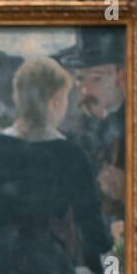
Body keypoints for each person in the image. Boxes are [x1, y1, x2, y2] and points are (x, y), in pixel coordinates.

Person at [0, 55, 112, 274]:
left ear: (19, 98)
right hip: (46, 271)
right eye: (65, 99)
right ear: (55, 102)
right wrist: (109, 271)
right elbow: (92, 229)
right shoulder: (71, 155)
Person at [54, 28, 126, 224]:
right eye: (79, 79)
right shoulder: (74, 132)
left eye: (96, 78)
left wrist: (129, 191)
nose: (85, 90)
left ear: (122, 77)